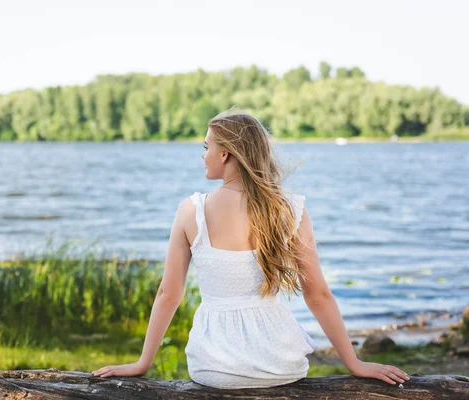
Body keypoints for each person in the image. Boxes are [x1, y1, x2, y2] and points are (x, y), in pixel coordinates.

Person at [91, 108, 410, 388]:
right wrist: (354, 363)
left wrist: (142, 363)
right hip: (279, 365)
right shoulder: (289, 209)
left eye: (207, 147)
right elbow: (318, 295)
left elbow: (168, 295)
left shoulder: (192, 211)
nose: (203, 155)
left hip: (214, 366)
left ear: (225, 154)